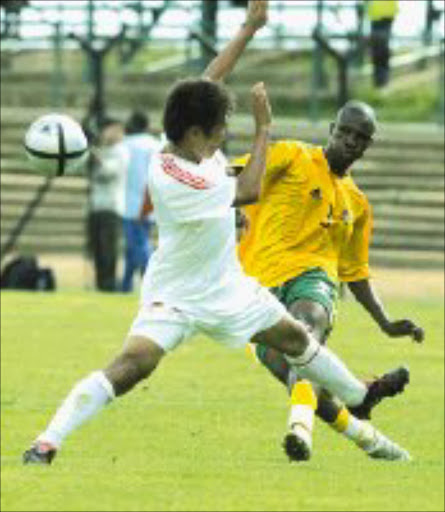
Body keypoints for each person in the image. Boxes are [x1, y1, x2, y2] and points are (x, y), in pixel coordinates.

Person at [23, 1, 409, 466]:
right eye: (220, 129)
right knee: (131, 367)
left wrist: (249, 27)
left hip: (226, 286)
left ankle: (359, 394)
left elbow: (208, 83)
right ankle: (47, 442)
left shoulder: (180, 146)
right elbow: (247, 190)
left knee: (297, 339)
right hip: (178, 294)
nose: (226, 135)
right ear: (194, 134)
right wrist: (264, 128)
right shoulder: (186, 178)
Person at [234, 99, 424, 462]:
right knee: (301, 372)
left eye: (360, 137)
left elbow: (355, 272)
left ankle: (299, 431)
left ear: (368, 145)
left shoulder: (358, 203)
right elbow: (237, 173)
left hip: (313, 279)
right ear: (332, 131)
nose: (350, 141)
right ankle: (369, 422)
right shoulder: (292, 156)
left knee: (304, 335)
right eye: (345, 132)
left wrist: (385, 323)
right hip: (254, 288)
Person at [121, 110, 162, 292]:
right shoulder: (155, 145)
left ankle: (151, 282)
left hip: (129, 204)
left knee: (138, 244)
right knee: (134, 245)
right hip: (150, 202)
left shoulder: (125, 144)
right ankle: (125, 284)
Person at [87, 117, 129, 292]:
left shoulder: (121, 151)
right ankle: (100, 284)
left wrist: (91, 153)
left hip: (111, 207)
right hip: (95, 206)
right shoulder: (103, 150)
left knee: (108, 249)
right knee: (96, 249)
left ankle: (109, 284)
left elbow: (108, 171)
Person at [365, 0, 398, 88]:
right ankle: (380, 80)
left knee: (381, 48)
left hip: (384, 15)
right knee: (378, 48)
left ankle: (382, 79)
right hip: (377, 15)